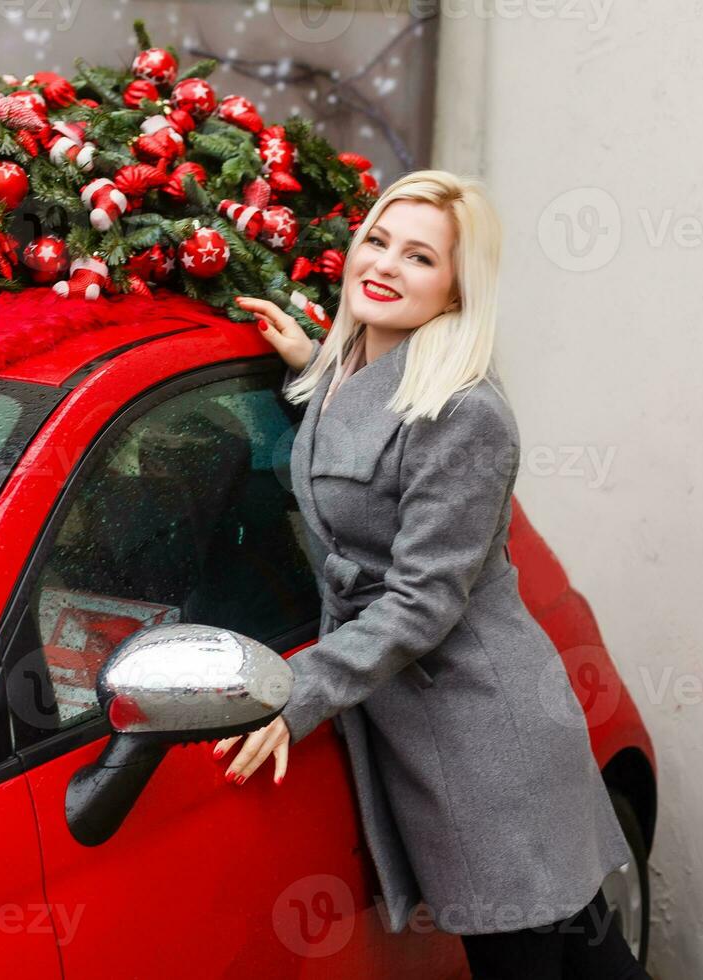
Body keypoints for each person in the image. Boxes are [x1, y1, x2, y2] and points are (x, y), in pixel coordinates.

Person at [217, 170, 651, 979]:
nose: (383, 265)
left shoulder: (468, 413)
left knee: (534, 963)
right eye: (378, 240)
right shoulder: (353, 366)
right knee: (595, 966)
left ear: (455, 290)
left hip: (484, 736)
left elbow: (422, 599)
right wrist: (306, 361)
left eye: (419, 258)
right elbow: (369, 451)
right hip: (437, 721)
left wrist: (298, 690)